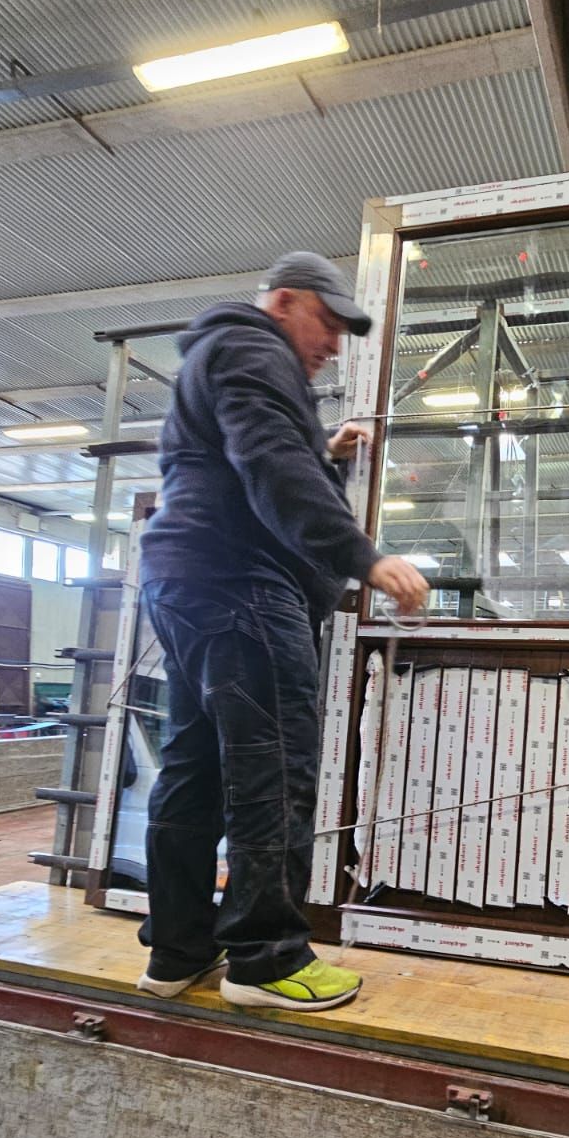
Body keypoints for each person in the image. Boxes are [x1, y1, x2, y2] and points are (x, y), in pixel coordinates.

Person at [135, 252, 427, 1012]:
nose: (332, 343)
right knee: (273, 770)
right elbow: (268, 461)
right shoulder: (254, 347)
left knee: (196, 767)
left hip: (189, 582)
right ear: (284, 302)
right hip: (242, 586)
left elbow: (243, 453)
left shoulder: (220, 352)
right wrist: (364, 557)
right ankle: (265, 961)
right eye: (325, 323)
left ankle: (178, 950)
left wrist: (324, 451)